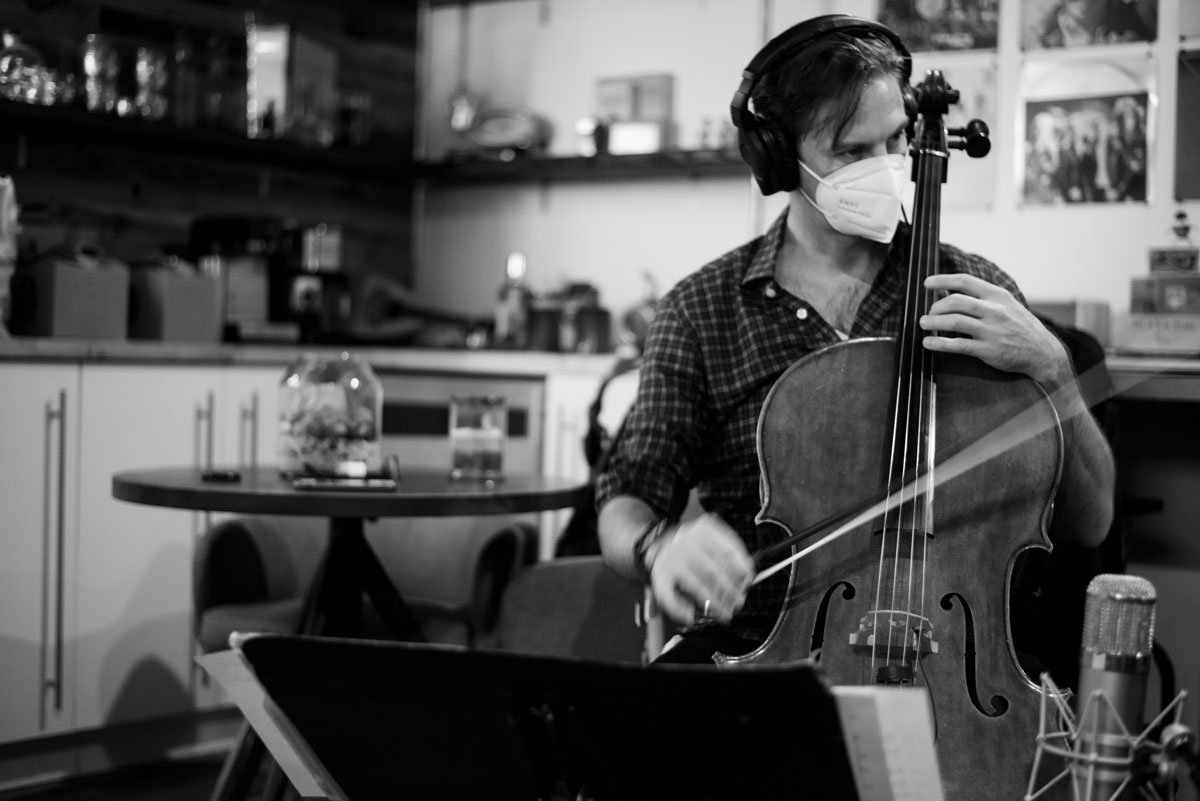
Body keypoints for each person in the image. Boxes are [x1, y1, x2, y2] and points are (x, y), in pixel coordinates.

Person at [595, 14, 1116, 666]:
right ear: (779, 158)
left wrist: (1055, 372)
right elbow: (628, 498)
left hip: (951, 665)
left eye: (895, 139)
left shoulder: (972, 294)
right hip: (765, 661)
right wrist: (657, 545)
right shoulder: (702, 312)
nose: (887, 167)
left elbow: (1091, 522)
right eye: (851, 151)